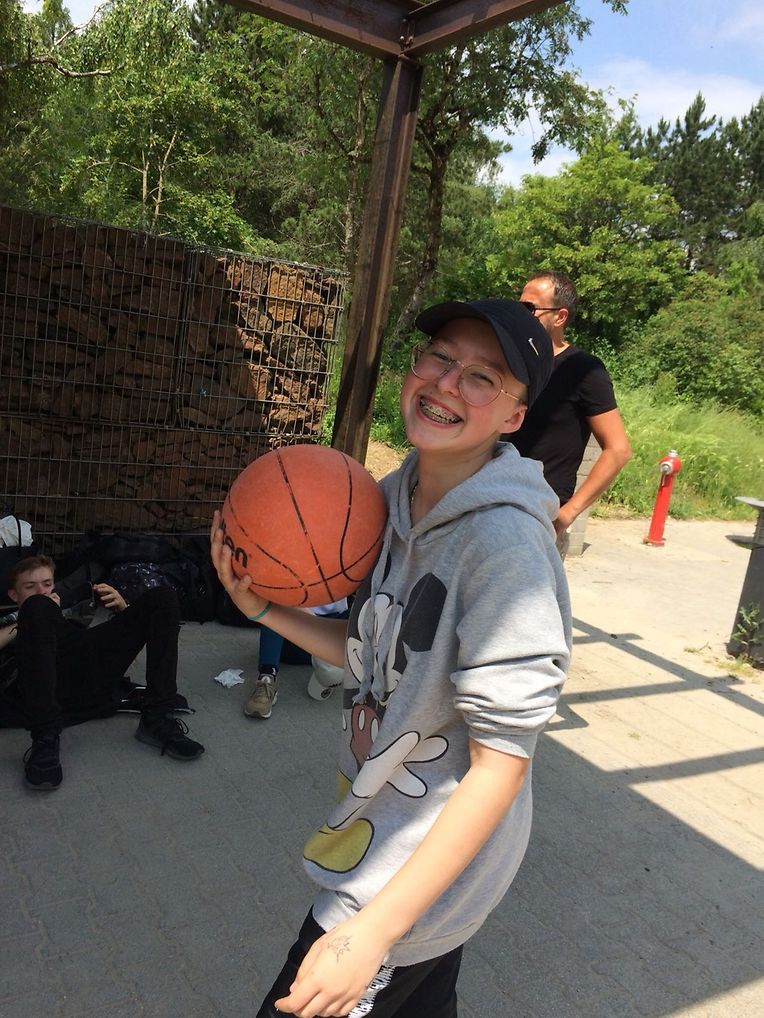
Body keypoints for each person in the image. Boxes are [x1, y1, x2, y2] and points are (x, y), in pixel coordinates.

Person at [210, 298, 572, 1018]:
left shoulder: (505, 550)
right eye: (441, 356)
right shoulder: (385, 502)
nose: (447, 383)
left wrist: (373, 931)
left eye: (482, 377)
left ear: (514, 416)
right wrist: (264, 610)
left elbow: (503, 763)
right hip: (390, 839)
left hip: (409, 876)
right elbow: (371, 654)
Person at [0, 555, 204, 791]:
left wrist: (124, 610)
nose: (41, 591)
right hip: (41, 682)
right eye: (30, 586)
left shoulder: (67, 607)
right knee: (37, 606)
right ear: (14, 595)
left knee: (163, 597)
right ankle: (45, 739)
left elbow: (103, 646)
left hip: (85, 667)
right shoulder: (13, 617)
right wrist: (29, 617)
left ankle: (157, 717)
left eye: (47, 584)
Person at [509, 271, 631, 558]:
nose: (521, 314)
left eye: (530, 308)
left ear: (560, 317)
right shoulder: (512, 360)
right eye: (518, 306)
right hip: (490, 502)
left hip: (539, 519)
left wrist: (566, 515)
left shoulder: (584, 370)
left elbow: (618, 450)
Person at [244, 598, 350, 719]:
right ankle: (267, 677)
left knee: (364, 614)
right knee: (276, 602)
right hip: (294, 630)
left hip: (333, 626)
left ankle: (352, 669)